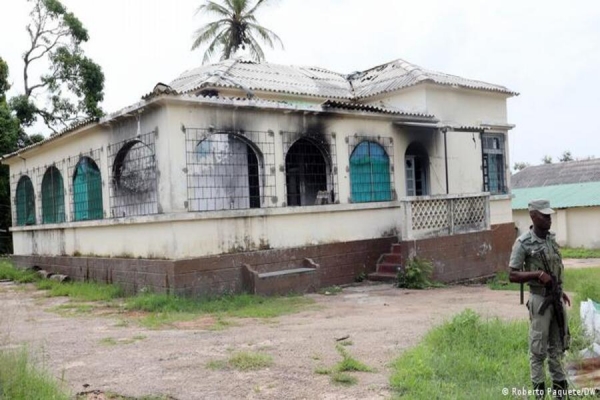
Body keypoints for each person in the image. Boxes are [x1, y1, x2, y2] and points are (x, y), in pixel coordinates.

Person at [509, 199, 571, 399]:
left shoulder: (550, 240)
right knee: (538, 350)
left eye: (549, 215)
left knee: (558, 346)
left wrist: (560, 290)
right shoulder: (523, 243)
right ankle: (539, 395)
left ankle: (560, 394)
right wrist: (536, 275)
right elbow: (512, 274)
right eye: (545, 216)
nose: (549, 219)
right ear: (533, 216)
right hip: (539, 301)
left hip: (556, 299)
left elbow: (555, 269)